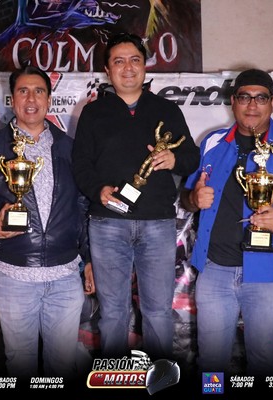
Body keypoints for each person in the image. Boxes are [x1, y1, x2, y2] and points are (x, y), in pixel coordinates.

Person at [180, 68, 273, 376]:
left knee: (262, 362)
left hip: (267, 272)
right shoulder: (212, 143)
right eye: (244, 97)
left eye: (261, 98)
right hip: (215, 270)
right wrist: (194, 198)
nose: (252, 105)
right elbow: (188, 199)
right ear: (233, 101)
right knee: (211, 364)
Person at [71, 32, 200, 361]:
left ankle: (159, 376)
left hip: (157, 224)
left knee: (157, 311)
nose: (127, 68)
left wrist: (174, 159)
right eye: (119, 61)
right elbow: (80, 165)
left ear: (145, 66)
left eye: (135, 60)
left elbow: (191, 158)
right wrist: (98, 190)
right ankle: (115, 376)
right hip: (107, 223)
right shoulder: (93, 113)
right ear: (107, 70)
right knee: (112, 312)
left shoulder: (167, 110)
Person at [0, 65, 94, 381]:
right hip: (15, 277)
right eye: (23, 91)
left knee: (62, 366)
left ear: (49, 100)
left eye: (38, 91)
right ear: (12, 99)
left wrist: (89, 258)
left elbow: (83, 209)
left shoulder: (70, 148)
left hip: (64, 277)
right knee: (20, 364)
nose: (31, 99)